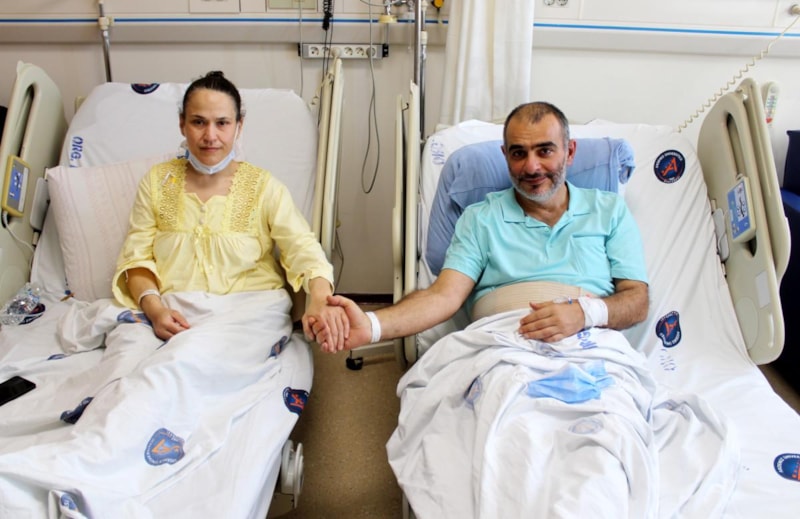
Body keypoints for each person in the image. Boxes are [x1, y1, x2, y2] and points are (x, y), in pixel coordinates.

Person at [315, 101, 648, 350]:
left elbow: (637, 301)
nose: (531, 167)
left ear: (570, 152)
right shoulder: (480, 218)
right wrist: (370, 325)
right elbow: (443, 296)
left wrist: (584, 314)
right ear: (505, 156)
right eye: (518, 153)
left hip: (588, 345)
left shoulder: (609, 211)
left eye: (545, 151)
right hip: (501, 345)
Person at [113, 70, 346, 349]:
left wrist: (319, 298)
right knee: (128, 356)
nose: (210, 136)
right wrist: (156, 310)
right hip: (174, 312)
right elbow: (135, 260)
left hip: (250, 310)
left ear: (239, 126)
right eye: (198, 122)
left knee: (182, 364)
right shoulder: (157, 183)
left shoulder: (264, 187)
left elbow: (303, 249)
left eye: (222, 123)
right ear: (182, 124)